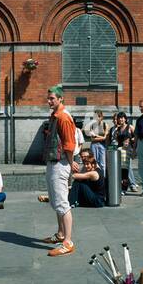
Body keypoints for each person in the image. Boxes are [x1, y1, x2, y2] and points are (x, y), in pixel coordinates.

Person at [40, 85, 79, 256]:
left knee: (62, 203)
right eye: (48, 98)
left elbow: (70, 144)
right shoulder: (56, 115)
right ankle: (61, 234)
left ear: (60, 99)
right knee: (56, 201)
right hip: (54, 162)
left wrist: (71, 165)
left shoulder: (63, 117)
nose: (49, 101)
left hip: (61, 163)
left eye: (52, 99)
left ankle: (68, 242)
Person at [108, 112, 136, 193]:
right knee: (122, 170)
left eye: (122, 118)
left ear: (125, 118)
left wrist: (131, 142)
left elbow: (136, 138)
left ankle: (131, 185)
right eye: (119, 118)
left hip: (128, 150)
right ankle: (124, 188)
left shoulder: (130, 127)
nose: (121, 119)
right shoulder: (118, 129)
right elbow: (116, 140)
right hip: (120, 151)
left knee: (127, 169)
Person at [84, 110, 109, 175]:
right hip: (94, 145)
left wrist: (96, 136)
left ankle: (103, 178)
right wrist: (101, 138)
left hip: (102, 145)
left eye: (98, 117)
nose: (96, 119)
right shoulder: (92, 126)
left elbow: (105, 138)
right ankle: (95, 177)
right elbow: (92, 139)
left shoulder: (105, 125)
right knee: (94, 162)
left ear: (101, 117)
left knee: (102, 163)